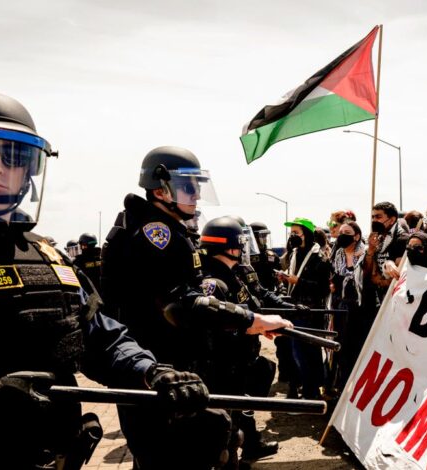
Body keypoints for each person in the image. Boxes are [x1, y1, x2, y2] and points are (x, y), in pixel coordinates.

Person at [0, 91, 208, 469]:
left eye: (15, 156)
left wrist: (151, 371)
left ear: (30, 170)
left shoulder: (47, 254)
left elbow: (98, 335)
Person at [101, 145, 288, 469]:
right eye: (189, 187)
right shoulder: (153, 234)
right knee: (169, 457)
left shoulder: (162, 229)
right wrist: (250, 319)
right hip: (157, 367)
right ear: (160, 188)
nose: (196, 196)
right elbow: (179, 304)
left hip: (164, 366)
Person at [198, 216, 294, 461]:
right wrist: (255, 327)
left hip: (240, 358)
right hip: (224, 365)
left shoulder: (233, 274)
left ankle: (247, 446)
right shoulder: (213, 282)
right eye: (241, 243)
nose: (244, 249)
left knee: (242, 410)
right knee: (226, 426)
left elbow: (252, 304)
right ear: (227, 246)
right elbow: (219, 327)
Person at [277, 217, 331, 399]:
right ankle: (306, 390)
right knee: (296, 354)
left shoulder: (319, 257)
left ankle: (311, 393)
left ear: (306, 235)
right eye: (291, 233)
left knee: (308, 355)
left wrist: (298, 281)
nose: (292, 236)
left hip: (311, 312)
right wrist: (285, 281)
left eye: (296, 233)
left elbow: (323, 288)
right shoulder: (293, 254)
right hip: (294, 308)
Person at [329, 221, 366, 390]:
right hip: (340, 308)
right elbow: (337, 277)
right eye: (341, 232)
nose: (343, 235)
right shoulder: (338, 255)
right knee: (341, 348)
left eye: (347, 232)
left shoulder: (365, 254)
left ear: (356, 236)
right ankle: (341, 386)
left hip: (359, 310)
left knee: (355, 348)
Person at [363, 202, 409, 309]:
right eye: (373, 217)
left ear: (392, 220)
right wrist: (370, 249)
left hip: (397, 300)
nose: (374, 220)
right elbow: (368, 272)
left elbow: (400, 275)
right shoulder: (377, 239)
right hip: (379, 298)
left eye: (378, 217)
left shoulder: (402, 239)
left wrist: (381, 282)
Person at [249, 221, 281, 291]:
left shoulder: (273, 256)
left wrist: (281, 287)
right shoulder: (245, 259)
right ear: (254, 238)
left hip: (271, 296)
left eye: (266, 236)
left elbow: (279, 277)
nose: (266, 240)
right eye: (263, 236)